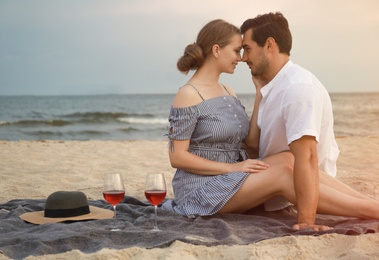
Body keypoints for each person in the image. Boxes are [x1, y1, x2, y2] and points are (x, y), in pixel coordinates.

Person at [162, 19, 379, 231]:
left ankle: (369, 203)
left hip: (231, 178)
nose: (241, 58)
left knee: (288, 158)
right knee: (283, 173)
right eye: (237, 51)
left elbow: (251, 142)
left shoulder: (228, 90)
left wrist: (260, 94)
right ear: (217, 50)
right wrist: (232, 167)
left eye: (243, 50)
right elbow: (177, 157)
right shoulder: (188, 94)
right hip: (200, 190)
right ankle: (373, 211)